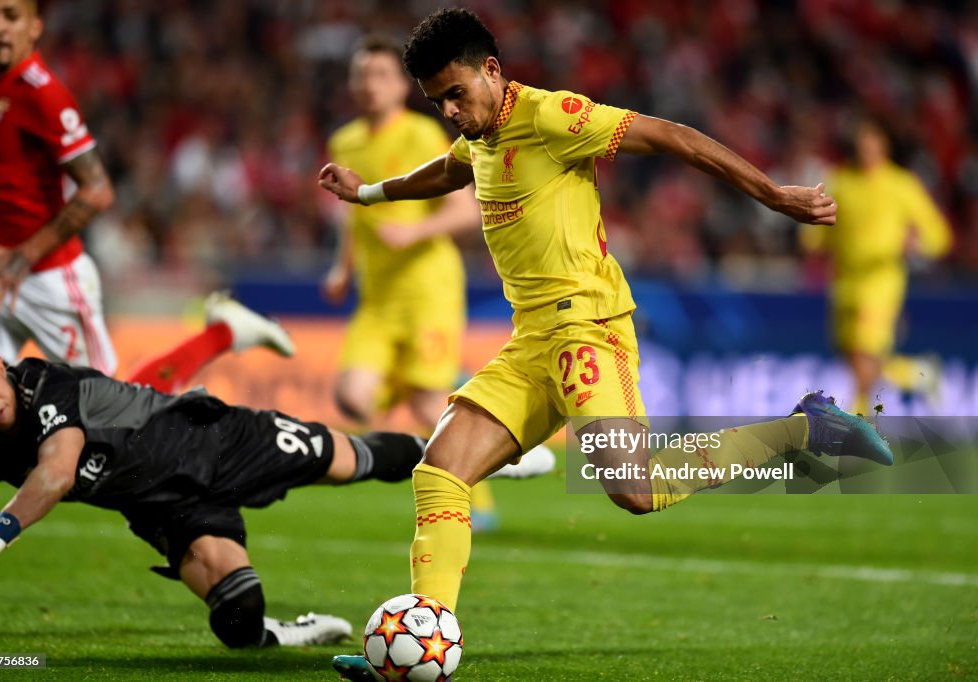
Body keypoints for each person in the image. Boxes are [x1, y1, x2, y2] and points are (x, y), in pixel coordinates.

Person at [318, 9, 895, 679]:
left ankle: (805, 430)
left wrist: (772, 194)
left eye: (455, 93)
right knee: (439, 471)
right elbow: (451, 171)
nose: (449, 110)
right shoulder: (478, 132)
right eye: (436, 100)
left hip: (588, 328)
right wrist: (369, 193)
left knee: (634, 489)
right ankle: (420, 646)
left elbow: (670, 134)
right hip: (531, 339)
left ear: (493, 71)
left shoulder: (554, 116)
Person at [0, 334, 427, 648]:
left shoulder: (48, 386)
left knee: (352, 461)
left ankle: (488, 459)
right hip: (165, 508)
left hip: (218, 443)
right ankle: (286, 633)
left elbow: (56, 474)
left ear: (1, 365)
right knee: (239, 618)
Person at [0, 0, 291, 388]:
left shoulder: (43, 95)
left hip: (49, 277)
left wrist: (27, 253)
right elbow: (11, 174)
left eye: (11, 16)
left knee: (109, 413)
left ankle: (222, 333)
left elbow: (98, 191)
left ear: (35, 27)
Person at [322, 35, 554, 530]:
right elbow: (350, 214)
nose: (369, 85)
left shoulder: (424, 136)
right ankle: (452, 384)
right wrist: (342, 268)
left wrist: (415, 230)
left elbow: (463, 209)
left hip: (428, 289)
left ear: (400, 88)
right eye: (361, 75)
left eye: (381, 76)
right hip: (378, 296)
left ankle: (480, 498)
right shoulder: (345, 142)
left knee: (429, 404)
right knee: (353, 400)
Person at [801, 117, 952, 415]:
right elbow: (819, 231)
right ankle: (918, 374)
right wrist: (812, 239)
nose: (866, 148)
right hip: (845, 281)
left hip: (881, 283)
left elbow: (939, 235)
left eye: (873, 142)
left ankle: (856, 430)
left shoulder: (901, 185)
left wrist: (917, 244)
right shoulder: (841, 182)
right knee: (853, 358)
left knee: (863, 358)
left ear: (884, 145)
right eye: (861, 142)